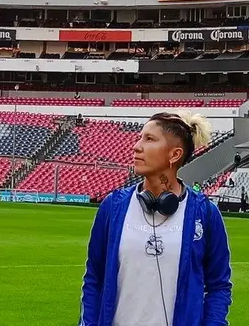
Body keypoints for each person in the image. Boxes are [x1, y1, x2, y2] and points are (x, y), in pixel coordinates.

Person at [80, 111, 232, 326]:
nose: (137, 146)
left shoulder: (205, 213)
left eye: (149, 139)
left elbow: (218, 286)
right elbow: (94, 278)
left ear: (174, 154)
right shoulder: (113, 207)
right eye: (140, 137)